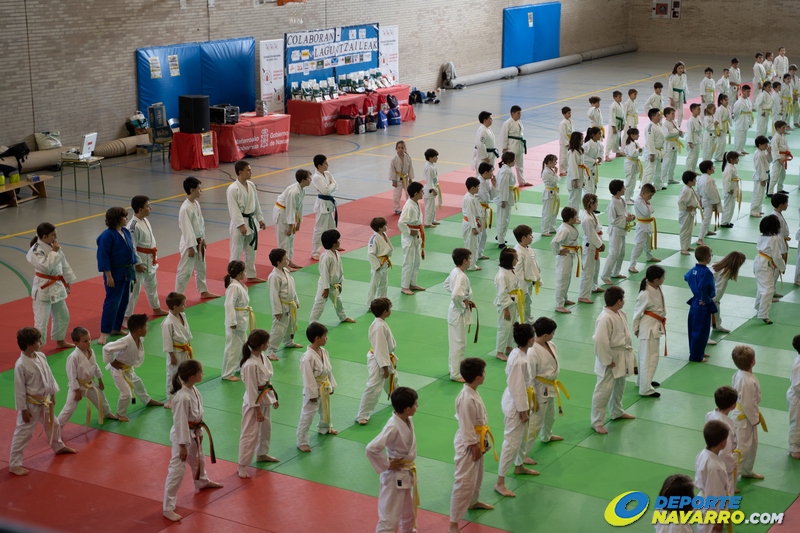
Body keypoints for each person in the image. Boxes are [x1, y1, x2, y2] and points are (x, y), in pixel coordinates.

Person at [9, 327, 77, 476]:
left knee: (54, 423)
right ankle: (14, 464)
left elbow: (49, 375)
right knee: (24, 433)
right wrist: (23, 409)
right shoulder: (21, 364)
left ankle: (58, 446)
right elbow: (19, 389)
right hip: (30, 404)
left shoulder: (40, 356)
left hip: (45, 400)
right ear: (28, 344)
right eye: (38, 341)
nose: (41, 343)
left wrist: (53, 392)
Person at [162, 360, 222, 521]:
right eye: (201, 372)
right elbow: (180, 421)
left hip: (194, 433)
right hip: (182, 438)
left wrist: (199, 431)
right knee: (177, 470)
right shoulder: (182, 397)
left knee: (198, 459)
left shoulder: (193, 390)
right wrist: (182, 445)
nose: (203, 374)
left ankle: (202, 481)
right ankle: (168, 508)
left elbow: (196, 416)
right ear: (193, 376)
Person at [448, 358, 494, 533]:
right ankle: (453, 524)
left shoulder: (472, 391)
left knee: (478, 475)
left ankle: (473, 502)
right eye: (483, 372)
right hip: (469, 443)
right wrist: (474, 446)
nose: (484, 375)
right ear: (477, 377)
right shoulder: (466, 398)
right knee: (464, 482)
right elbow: (466, 425)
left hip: (477, 439)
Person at [365, 387, 419, 533]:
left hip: (405, 473)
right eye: (415, 404)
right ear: (407, 409)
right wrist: (387, 464)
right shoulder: (393, 426)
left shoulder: (406, 418)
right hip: (394, 477)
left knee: (408, 511)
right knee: (390, 517)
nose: (417, 406)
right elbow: (371, 448)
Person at [495, 323, 538, 497]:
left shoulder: (516, 352)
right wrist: (522, 410)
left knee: (522, 437)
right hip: (516, 404)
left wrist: (529, 403)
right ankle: (500, 482)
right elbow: (517, 387)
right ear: (530, 340)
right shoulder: (519, 360)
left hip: (522, 400)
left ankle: (519, 465)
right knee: (511, 442)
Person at [590, 287, 636, 434]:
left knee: (620, 386)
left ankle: (617, 411)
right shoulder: (605, 318)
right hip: (610, 357)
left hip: (622, 354)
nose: (624, 300)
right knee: (603, 390)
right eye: (623, 298)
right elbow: (600, 341)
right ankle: (597, 422)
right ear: (619, 301)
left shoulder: (620, 313)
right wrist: (607, 360)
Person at [103, 313, 163, 421]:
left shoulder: (138, 338)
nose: (147, 328)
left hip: (128, 368)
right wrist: (111, 362)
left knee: (138, 384)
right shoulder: (125, 341)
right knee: (126, 393)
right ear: (139, 330)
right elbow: (106, 348)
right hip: (118, 370)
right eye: (146, 326)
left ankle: (147, 400)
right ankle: (120, 414)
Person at [237, 329, 279, 479]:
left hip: (265, 397)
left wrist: (274, 398)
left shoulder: (263, 357)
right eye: (267, 342)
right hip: (253, 403)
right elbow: (251, 389)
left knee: (266, 428)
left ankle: (262, 453)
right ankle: (242, 464)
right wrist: (257, 411)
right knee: (250, 433)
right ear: (261, 345)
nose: (269, 344)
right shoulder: (249, 364)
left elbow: (267, 381)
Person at [27, 222, 76, 347]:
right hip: (43, 288)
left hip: (57, 285)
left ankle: (60, 341)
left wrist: (67, 280)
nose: (55, 238)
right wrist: (54, 252)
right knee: (41, 322)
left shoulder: (53, 245)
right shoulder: (35, 250)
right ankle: (37, 347)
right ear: (44, 236)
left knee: (63, 316)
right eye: (53, 235)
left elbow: (63, 263)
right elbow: (46, 268)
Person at [57, 327, 116, 427]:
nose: (89, 342)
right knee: (69, 408)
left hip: (90, 383)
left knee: (100, 398)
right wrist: (76, 390)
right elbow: (72, 375)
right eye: (85, 341)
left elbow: (95, 366)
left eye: (89, 339)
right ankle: (57, 426)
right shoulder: (73, 357)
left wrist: (100, 379)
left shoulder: (91, 351)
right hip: (77, 386)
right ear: (76, 343)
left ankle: (106, 413)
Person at [96, 206, 137, 345]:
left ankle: (116, 328)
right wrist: (108, 275)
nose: (127, 218)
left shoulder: (125, 231)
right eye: (124, 216)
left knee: (124, 301)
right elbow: (103, 256)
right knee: (112, 302)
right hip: (114, 273)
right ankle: (104, 333)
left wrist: (134, 269)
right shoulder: (107, 235)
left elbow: (131, 252)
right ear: (117, 219)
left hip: (127, 271)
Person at [124, 195, 166, 325]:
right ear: (141, 209)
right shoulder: (132, 226)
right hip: (140, 261)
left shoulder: (145, 221)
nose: (150, 208)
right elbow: (131, 247)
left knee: (152, 286)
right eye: (148, 206)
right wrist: (137, 263)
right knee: (135, 290)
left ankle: (156, 308)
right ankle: (126, 316)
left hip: (150, 259)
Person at [297, 322, 338, 452]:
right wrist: (312, 395)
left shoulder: (324, 351)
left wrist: (331, 384)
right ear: (317, 338)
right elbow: (308, 378)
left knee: (325, 409)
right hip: (314, 388)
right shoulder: (307, 357)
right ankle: (301, 441)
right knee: (307, 415)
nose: (327, 338)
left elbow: (328, 370)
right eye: (325, 336)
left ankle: (325, 427)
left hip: (324, 385)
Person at [356, 298, 398, 425]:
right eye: (390, 308)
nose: (391, 310)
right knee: (373, 386)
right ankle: (362, 415)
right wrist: (384, 367)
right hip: (379, 360)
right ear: (385, 312)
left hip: (384, 356)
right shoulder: (379, 327)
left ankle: (399, 402)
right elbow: (380, 348)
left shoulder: (380, 323)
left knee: (393, 381)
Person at [176, 177, 219, 298]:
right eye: (199, 189)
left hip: (199, 241)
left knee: (201, 268)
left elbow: (200, 223)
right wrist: (190, 246)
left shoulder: (195, 203)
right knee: (185, 271)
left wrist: (203, 238)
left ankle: (203, 291)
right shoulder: (185, 208)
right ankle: (177, 296)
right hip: (189, 243)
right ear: (192, 190)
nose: (202, 191)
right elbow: (186, 229)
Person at [529, 316, 566, 447]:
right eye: (552, 333)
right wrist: (533, 399)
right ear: (545, 335)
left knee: (551, 415)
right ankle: (524, 453)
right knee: (536, 421)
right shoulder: (532, 351)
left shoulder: (551, 345)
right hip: (538, 389)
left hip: (549, 386)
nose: (553, 335)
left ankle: (547, 436)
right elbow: (530, 377)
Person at [227, 160, 266, 281]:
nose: (251, 172)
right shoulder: (233, 189)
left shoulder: (251, 185)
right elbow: (233, 209)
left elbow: (256, 204)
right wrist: (241, 224)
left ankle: (251, 275)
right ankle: (233, 277)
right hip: (240, 224)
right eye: (248, 170)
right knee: (236, 251)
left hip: (251, 220)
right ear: (240, 172)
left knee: (251, 251)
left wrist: (260, 219)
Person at [730, 345, 765, 479]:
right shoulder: (747, 381)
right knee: (742, 450)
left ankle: (746, 470)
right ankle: (731, 481)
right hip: (744, 418)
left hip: (746, 417)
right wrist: (755, 419)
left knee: (752, 446)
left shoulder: (742, 374)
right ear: (753, 361)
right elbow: (748, 404)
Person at [632, 265, 666, 398]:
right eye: (663, 277)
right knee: (649, 358)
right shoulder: (645, 293)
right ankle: (645, 388)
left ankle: (643, 381)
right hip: (648, 328)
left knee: (647, 356)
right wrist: (636, 329)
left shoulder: (656, 287)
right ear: (656, 279)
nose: (664, 279)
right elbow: (636, 313)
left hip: (654, 325)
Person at [309, 229, 356, 323]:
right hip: (324, 285)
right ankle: (313, 322)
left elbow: (340, 270)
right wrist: (325, 288)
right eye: (339, 239)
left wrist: (340, 282)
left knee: (338, 302)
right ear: (334, 243)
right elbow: (324, 273)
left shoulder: (337, 253)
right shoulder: (326, 256)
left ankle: (343, 317)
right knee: (319, 303)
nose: (340, 241)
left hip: (334, 284)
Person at [694, 420, 730, 533]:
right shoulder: (714, 467)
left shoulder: (703, 453)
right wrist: (719, 518)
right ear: (723, 443)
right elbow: (715, 494)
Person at [445, 248, 475, 382]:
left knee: (454, 342)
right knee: (459, 344)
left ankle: (453, 368)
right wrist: (463, 304)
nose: (470, 261)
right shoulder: (461, 276)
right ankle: (456, 373)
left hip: (454, 312)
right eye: (469, 259)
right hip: (458, 312)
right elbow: (456, 295)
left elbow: (446, 285)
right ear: (464, 261)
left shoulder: (455, 271)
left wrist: (464, 299)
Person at [267, 248, 302, 360]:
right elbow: (274, 295)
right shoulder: (274, 276)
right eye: (285, 258)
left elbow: (292, 287)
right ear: (278, 262)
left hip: (290, 303)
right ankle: (271, 350)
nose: (288, 259)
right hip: (282, 305)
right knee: (279, 328)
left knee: (291, 324)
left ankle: (289, 341)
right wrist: (277, 311)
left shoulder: (285, 271)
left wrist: (296, 300)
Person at [273, 169, 312, 270]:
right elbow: (290, 208)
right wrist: (290, 226)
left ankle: (289, 261)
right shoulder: (294, 192)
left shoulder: (302, 190)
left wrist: (298, 222)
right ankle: (282, 265)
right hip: (282, 213)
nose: (310, 180)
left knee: (290, 239)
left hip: (288, 212)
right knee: (284, 239)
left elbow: (299, 207)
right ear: (303, 180)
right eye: (309, 178)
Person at [706, 386, 739, 495]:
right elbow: (725, 452)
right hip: (722, 463)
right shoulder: (725, 427)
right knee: (725, 492)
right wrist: (731, 466)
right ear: (733, 406)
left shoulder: (710, 415)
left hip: (711, 454)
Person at [601, 180, 636, 284]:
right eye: (623, 188)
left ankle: (615, 273)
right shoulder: (612, 204)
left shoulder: (621, 200)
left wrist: (630, 216)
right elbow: (612, 220)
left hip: (622, 230)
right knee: (613, 253)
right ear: (617, 191)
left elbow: (624, 212)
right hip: (615, 231)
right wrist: (626, 219)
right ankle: (605, 276)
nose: (625, 189)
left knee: (621, 253)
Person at [684, 245, 715, 363]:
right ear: (707, 258)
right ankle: (696, 356)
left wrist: (695, 290)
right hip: (702, 303)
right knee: (701, 330)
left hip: (695, 302)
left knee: (694, 328)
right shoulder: (706, 272)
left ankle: (698, 351)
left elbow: (686, 277)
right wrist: (706, 298)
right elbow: (703, 286)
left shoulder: (694, 269)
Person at [162, 292, 193, 408]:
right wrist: (172, 355)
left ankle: (184, 393)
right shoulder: (167, 323)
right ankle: (170, 398)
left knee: (185, 373)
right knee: (172, 374)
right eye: (183, 305)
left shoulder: (182, 316)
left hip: (185, 349)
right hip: (175, 352)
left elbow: (187, 333)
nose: (185, 306)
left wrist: (189, 345)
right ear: (175, 307)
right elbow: (167, 341)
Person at [753, 215, 785, 324]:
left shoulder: (762, 237)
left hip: (759, 261)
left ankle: (759, 307)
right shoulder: (775, 238)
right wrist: (782, 267)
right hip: (764, 264)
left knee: (762, 286)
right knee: (768, 290)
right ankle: (763, 314)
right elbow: (776, 256)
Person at [223, 260, 249, 381]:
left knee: (243, 345)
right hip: (236, 322)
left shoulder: (238, 285)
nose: (245, 273)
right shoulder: (233, 287)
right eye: (244, 271)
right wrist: (232, 321)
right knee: (233, 347)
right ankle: (227, 373)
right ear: (239, 274)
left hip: (241, 319)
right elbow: (229, 305)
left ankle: (240, 366)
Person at [398, 182, 426, 295]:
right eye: (421, 191)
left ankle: (412, 283)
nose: (423, 193)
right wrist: (410, 231)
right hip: (409, 237)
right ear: (416, 193)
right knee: (408, 262)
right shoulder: (409, 206)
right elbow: (401, 223)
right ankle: (404, 286)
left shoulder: (415, 203)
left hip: (416, 234)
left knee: (416, 261)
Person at [551, 206, 580, 314]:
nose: (577, 218)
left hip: (570, 254)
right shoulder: (564, 229)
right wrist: (558, 251)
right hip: (564, 256)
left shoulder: (568, 225)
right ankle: (559, 305)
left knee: (567, 278)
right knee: (562, 279)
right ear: (570, 219)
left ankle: (564, 298)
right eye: (575, 217)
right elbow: (554, 242)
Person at [710, 251, 746, 336]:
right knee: (709, 313)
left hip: (702, 289)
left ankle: (717, 326)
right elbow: (719, 288)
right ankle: (704, 337)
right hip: (708, 294)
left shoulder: (716, 264)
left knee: (716, 309)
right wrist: (714, 300)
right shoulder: (726, 271)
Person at [311, 154, 339, 260]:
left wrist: (331, 186)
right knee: (320, 229)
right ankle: (315, 252)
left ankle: (334, 244)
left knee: (332, 226)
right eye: (325, 163)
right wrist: (331, 185)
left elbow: (336, 185)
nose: (328, 165)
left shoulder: (327, 174)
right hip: (322, 204)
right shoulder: (316, 177)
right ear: (319, 166)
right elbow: (326, 191)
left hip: (329, 203)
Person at [494, 248, 520, 361]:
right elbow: (502, 293)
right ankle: (499, 351)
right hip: (506, 304)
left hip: (513, 301)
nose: (517, 260)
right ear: (509, 260)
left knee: (513, 326)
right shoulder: (502, 275)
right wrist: (506, 309)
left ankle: (509, 347)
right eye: (515, 259)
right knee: (504, 327)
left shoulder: (510, 270)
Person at [578, 194, 605, 304]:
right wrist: (600, 244)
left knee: (596, 267)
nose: (597, 204)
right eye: (596, 202)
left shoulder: (590, 214)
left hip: (595, 243)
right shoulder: (587, 218)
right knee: (588, 270)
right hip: (591, 245)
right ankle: (583, 295)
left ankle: (594, 286)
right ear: (591, 204)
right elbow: (591, 234)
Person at [628, 183, 660, 273]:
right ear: (643, 193)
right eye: (650, 196)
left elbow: (652, 210)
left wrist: (649, 205)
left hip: (647, 224)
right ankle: (632, 265)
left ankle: (649, 256)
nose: (650, 198)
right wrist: (648, 205)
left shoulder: (644, 200)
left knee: (647, 243)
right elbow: (646, 213)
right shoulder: (639, 201)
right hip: (642, 225)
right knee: (639, 245)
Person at [513, 224, 541, 324]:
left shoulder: (528, 248)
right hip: (522, 284)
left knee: (528, 303)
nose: (532, 237)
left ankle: (528, 320)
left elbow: (533, 264)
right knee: (522, 304)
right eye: (530, 235)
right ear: (524, 238)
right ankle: (521, 323)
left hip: (529, 281)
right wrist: (521, 288)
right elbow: (518, 272)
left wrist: (537, 276)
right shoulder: (518, 252)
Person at [501, 105, 529, 187]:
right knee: (509, 165)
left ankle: (522, 181)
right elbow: (503, 136)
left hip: (519, 146)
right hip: (511, 147)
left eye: (520, 113)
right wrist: (504, 148)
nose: (520, 115)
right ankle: (507, 182)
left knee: (520, 164)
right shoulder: (507, 123)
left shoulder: (519, 122)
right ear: (512, 113)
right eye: (518, 113)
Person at [367, 217, 395, 301]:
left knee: (383, 285)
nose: (387, 226)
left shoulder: (383, 235)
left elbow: (388, 248)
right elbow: (370, 253)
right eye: (385, 225)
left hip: (384, 263)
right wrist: (376, 266)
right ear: (380, 228)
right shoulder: (374, 238)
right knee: (373, 286)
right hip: (378, 264)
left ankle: (382, 302)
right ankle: (370, 305)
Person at [495, 151, 518, 247]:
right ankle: (501, 241)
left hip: (507, 195)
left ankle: (500, 236)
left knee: (503, 218)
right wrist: (503, 200)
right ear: (509, 161)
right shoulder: (506, 171)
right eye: (514, 160)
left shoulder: (506, 169)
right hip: (504, 197)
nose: (515, 161)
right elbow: (503, 186)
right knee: (503, 219)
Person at [696, 160, 720, 246]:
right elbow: (711, 193)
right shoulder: (709, 180)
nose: (714, 168)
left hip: (703, 199)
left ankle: (706, 231)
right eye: (713, 167)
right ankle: (700, 238)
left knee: (707, 217)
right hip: (708, 200)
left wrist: (699, 200)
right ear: (708, 169)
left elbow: (697, 190)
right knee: (706, 218)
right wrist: (714, 202)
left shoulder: (701, 178)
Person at [677, 171, 701, 255]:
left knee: (689, 230)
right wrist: (686, 208)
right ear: (689, 181)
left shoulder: (689, 188)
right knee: (685, 230)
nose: (696, 181)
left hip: (690, 212)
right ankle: (683, 248)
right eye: (694, 179)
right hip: (685, 213)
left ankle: (686, 246)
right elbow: (680, 201)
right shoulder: (686, 190)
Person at [462, 177, 483, 271]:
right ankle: (471, 265)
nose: (479, 188)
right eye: (478, 187)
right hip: (470, 224)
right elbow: (470, 214)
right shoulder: (469, 199)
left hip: (472, 222)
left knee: (473, 244)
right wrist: (474, 227)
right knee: (471, 245)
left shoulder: (470, 196)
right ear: (473, 187)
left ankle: (471, 263)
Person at [390, 140, 416, 216]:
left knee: (409, 193)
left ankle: (409, 207)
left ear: (405, 148)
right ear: (396, 149)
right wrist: (393, 180)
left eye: (402, 147)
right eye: (399, 148)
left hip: (405, 178)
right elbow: (392, 170)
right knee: (397, 195)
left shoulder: (408, 157)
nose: (400, 149)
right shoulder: (394, 159)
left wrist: (411, 178)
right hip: (398, 179)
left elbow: (410, 168)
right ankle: (397, 209)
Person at [476, 162, 497, 259]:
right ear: (485, 172)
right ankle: (476, 253)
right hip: (479, 211)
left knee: (484, 233)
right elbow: (487, 198)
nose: (492, 173)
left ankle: (479, 253)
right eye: (491, 171)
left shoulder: (486, 182)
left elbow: (492, 197)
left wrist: (494, 185)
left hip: (484, 209)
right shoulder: (479, 183)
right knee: (480, 233)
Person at [661, 107, 683, 186]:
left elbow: (680, 131)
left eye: (674, 113)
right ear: (667, 115)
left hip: (675, 144)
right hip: (668, 146)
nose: (674, 115)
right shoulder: (665, 124)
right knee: (666, 163)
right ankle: (662, 181)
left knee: (673, 163)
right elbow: (667, 135)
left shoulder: (675, 122)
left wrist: (680, 133)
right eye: (672, 114)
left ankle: (670, 178)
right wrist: (677, 133)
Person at [750, 135, 772, 217]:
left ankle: (758, 209)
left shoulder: (762, 152)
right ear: (760, 145)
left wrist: (769, 152)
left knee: (761, 194)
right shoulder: (758, 154)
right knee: (757, 194)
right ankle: (753, 211)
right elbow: (760, 167)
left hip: (763, 175)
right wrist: (763, 179)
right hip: (759, 176)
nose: (767, 146)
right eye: (765, 144)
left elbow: (769, 160)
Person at [643, 108, 665, 188]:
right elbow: (650, 141)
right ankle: (646, 188)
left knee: (658, 169)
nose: (660, 117)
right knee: (650, 171)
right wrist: (651, 154)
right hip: (652, 151)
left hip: (658, 151)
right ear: (653, 116)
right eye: (658, 115)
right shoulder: (650, 127)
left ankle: (658, 185)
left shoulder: (657, 125)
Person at [565, 131, 585, 211]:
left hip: (580, 176)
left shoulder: (579, 151)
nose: (582, 141)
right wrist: (575, 180)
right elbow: (573, 167)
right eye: (581, 139)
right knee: (573, 199)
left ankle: (575, 215)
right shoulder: (572, 152)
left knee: (577, 198)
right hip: (574, 179)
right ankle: (572, 216)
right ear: (577, 140)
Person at [541, 154, 560, 236]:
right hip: (549, 194)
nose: (556, 163)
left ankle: (552, 228)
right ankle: (545, 230)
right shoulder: (546, 172)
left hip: (554, 192)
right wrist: (556, 173)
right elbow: (555, 181)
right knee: (547, 212)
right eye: (555, 161)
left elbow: (557, 180)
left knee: (554, 211)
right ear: (549, 162)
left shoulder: (550, 170)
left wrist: (555, 174)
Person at [720, 151, 740, 228]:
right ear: (731, 159)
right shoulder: (729, 168)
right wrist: (728, 190)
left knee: (731, 206)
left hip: (732, 189)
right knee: (728, 206)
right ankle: (724, 222)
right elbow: (726, 180)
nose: (738, 160)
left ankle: (727, 221)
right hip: (729, 191)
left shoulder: (731, 167)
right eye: (737, 158)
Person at [769, 121, 790, 195]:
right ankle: (770, 192)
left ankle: (779, 189)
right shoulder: (775, 138)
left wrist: (788, 152)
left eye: (785, 127)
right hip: (778, 159)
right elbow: (775, 150)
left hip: (783, 157)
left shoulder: (782, 136)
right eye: (783, 128)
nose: (784, 129)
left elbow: (786, 146)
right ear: (777, 128)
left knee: (782, 175)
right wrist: (779, 159)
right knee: (775, 176)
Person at [788, 334, 800, 459]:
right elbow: (797, 385)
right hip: (796, 398)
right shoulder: (799, 364)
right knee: (796, 423)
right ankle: (794, 448)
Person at [623, 128, 642, 204]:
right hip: (630, 163)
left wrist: (639, 151)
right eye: (637, 134)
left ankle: (629, 197)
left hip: (633, 162)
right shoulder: (630, 144)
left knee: (633, 181)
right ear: (632, 135)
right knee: (629, 181)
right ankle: (626, 198)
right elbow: (632, 153)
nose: (638, 136)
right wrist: (638, 150)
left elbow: (638, 152)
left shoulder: (635, 143)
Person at [732, 85, 753, 155]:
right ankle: (737, 150)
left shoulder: (748, 99)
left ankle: (742, 149)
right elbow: (735, 112)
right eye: (747, 92)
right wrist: (736, 118)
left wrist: (749, 121)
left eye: (749, 92)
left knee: (744, 135)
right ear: (743, 92)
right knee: (739, 136)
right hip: (741, 120)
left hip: (746, 119)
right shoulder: (739, 102)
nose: (749, 93)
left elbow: (750, 109)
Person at [582, 127, 603, 196]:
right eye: (599, 134)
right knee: (588, 186)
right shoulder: (587, 145)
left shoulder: (599, 144)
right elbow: (583, 156)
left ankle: (592, 198)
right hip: (587, 167)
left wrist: (600, 157)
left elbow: (601, 152)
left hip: (594, 167)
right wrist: (593, 161)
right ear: (593, 135)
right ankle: (588, 200)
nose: (600, 136)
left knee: (594, 185)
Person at [422, 148, 440, 226]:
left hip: (433, 186)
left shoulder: (431, 165)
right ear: (430, 158)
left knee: (432, 207)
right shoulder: (429, 167)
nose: (437, 158)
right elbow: (429, 180)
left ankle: (432, 220)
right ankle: (427, 222)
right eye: (435, 157)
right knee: (429, 207)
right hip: (429, 190)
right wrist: (432, 189)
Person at [606, 90, 625, 160]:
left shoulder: (621, 105)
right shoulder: (613, 106)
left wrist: (623, 124)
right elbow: (612, 117)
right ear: (615, 97)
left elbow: (623, 116)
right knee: (611, 139)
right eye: (619, 97)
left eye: (621, 97)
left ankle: (617, 152)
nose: (621, 98)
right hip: (614, 124)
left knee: (617, 139)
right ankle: (606, 155)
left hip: (619, 123)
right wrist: (613, 127)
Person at [685, 103, 703, 173]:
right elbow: (689, 132)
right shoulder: (690, 121)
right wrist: (690, 142)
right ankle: (688, 172)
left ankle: (693, 170)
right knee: (691, 157)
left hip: (697, 140)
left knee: (696, 156)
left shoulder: (698, 119)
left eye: (700, 109)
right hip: (692, 141)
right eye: (698, 109)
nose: (699, 111)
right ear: (693, 110)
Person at [558, 107, 573, 176]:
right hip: (564, 142)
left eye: (570, 113)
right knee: (563, 157)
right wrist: (566, 143)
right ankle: (562, 170)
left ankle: (566, 169)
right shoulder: (562, 123)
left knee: (568, 156)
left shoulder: (570, 121)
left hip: (570, 139)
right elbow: (562, 133)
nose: (570, 114)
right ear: (564, 114)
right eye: (568, 113)